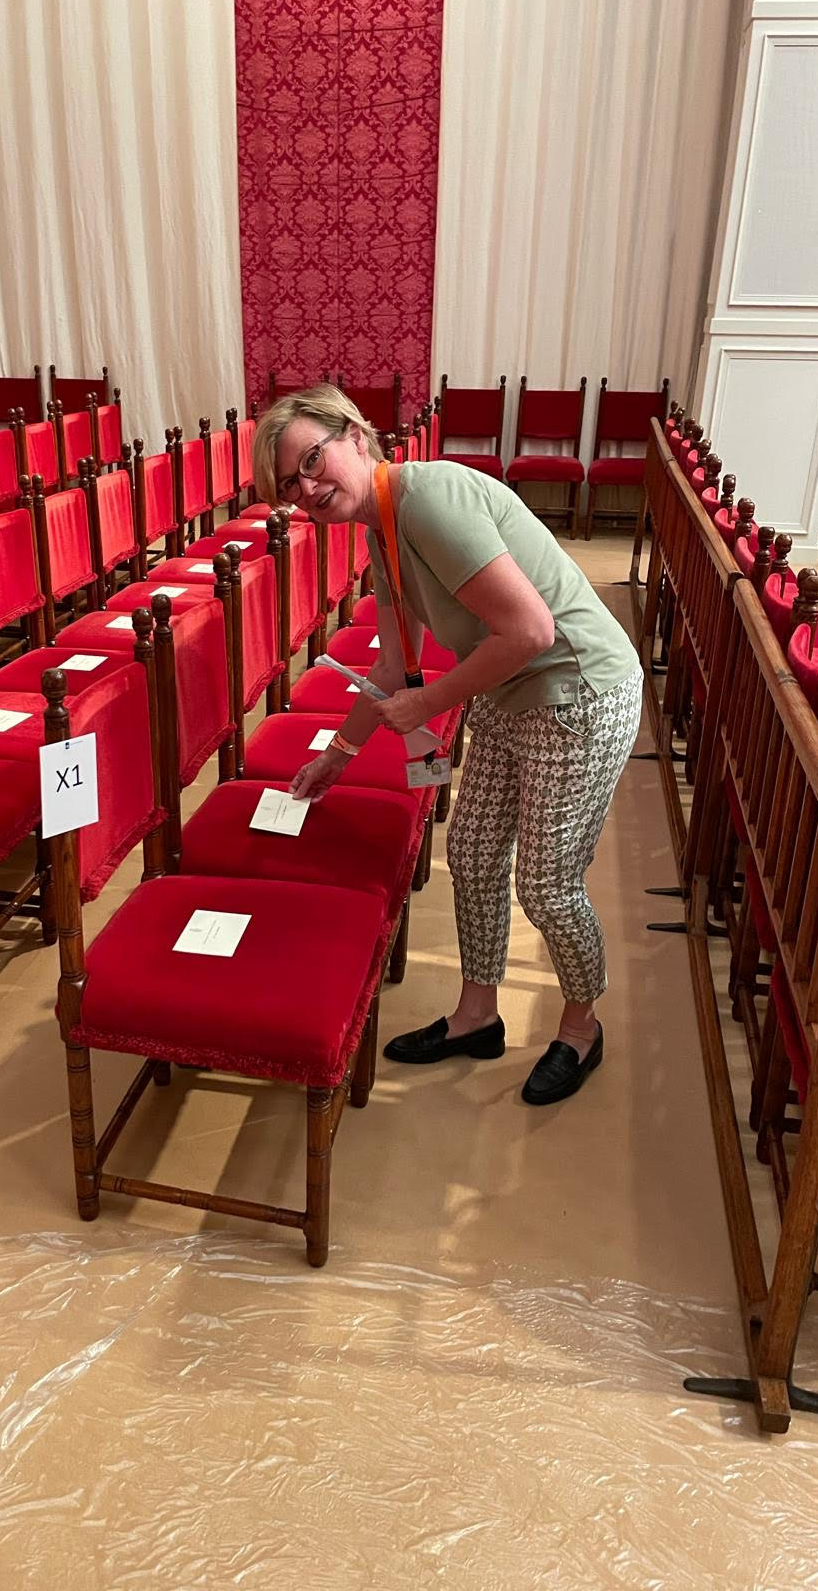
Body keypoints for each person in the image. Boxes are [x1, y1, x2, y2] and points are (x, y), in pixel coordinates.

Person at [252, 384, 642, 1106]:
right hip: (505, 691)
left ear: (356, 436)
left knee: (548, 886)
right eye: (289, 484)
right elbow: (392, 663)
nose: (306, 488)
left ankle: (582, 1025)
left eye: (312, 460)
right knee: (470, 853)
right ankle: (476, 1015)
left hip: (578, 695)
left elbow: (531, 632)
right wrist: (338, 754)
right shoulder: (383, 522)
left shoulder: (428, 497)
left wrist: (427, 704)